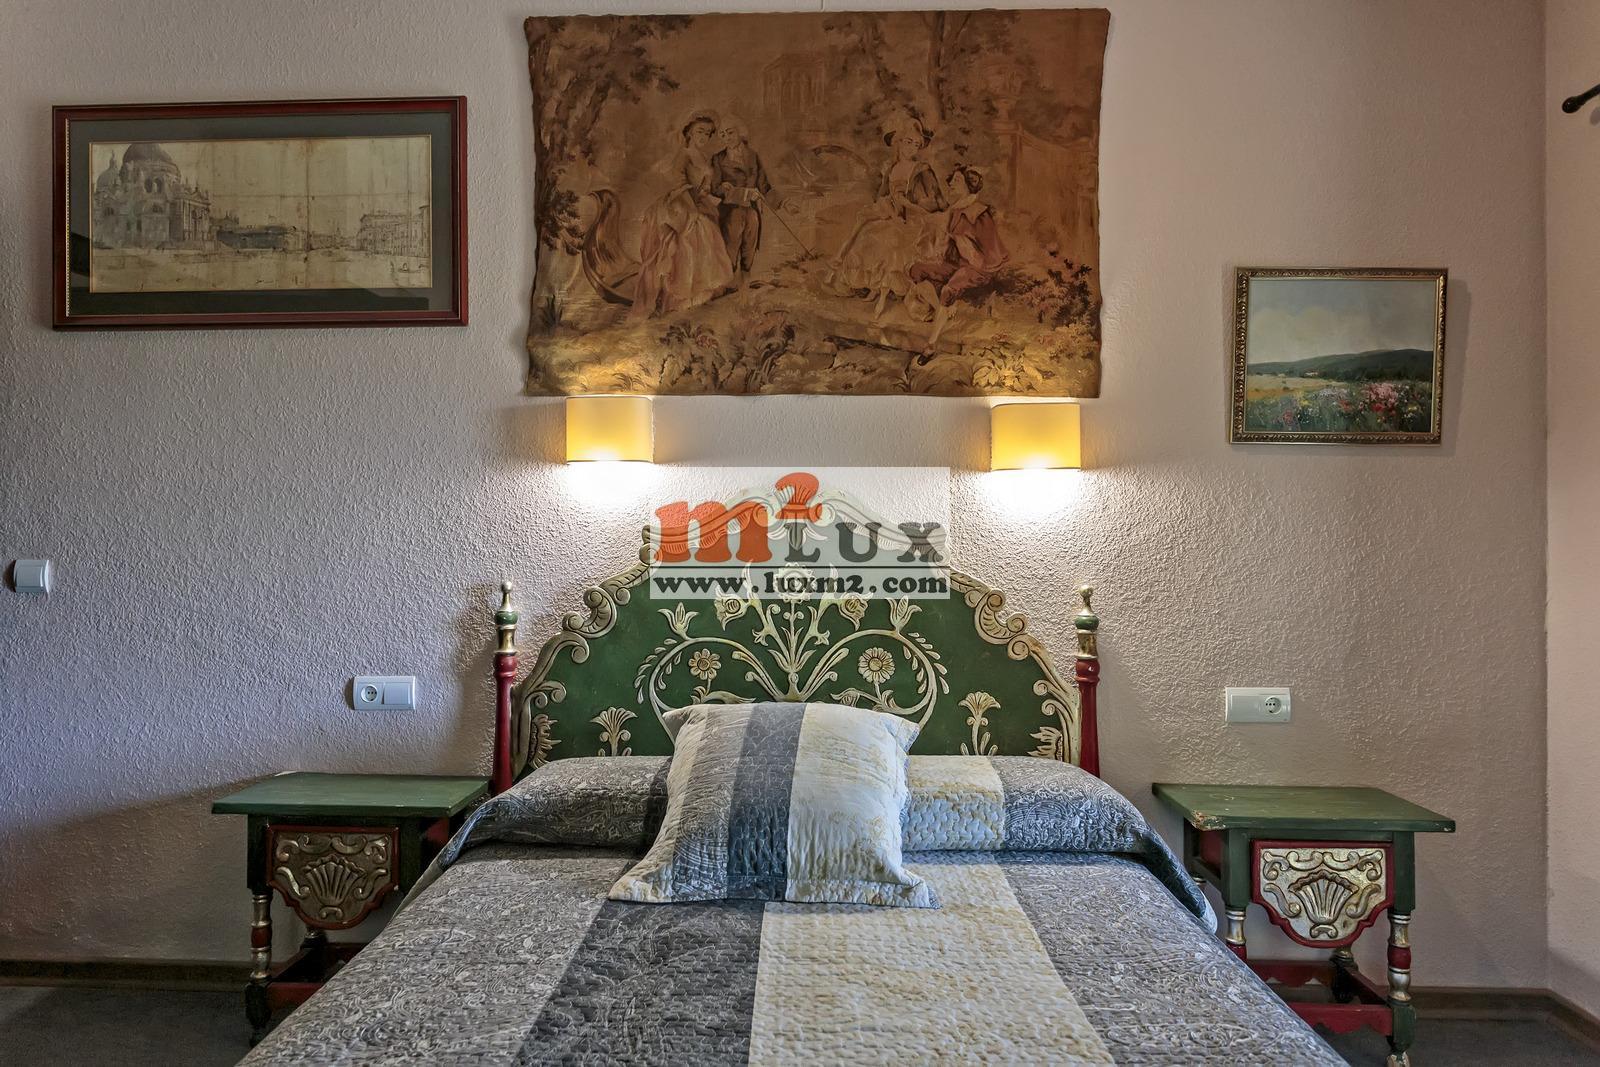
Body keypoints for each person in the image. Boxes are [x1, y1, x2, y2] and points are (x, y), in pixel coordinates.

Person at [827, 115, 946, 320]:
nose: (912, 148)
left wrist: (908, 203)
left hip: (916, 223)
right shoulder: (891, 168)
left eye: (916, 144)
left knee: (891, 240)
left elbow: (935, 203)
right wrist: (889, 206)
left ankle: (886, 289)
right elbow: (881, 195)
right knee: (868, 233)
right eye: (908, 141)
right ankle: (873, 286)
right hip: (893, 217)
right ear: (898, 142)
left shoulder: (922, 170)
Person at [630, 111, 736, 320]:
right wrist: (692, 208)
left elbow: (705, 185)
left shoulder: (704, 158)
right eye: (700, 131)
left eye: (708, 133)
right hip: (681, 204)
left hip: (699, 203)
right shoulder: (684, 155)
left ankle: (699, 295)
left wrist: (713, 190)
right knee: (685, 243)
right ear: (689, 133)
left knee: (708, 240)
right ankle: (678, 299)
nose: (704, 136)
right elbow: (679, 183)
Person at [907, 164, 1009, 358]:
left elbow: (990, 252)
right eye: (952, 180)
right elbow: (949, 246)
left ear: (969, 185)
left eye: (957, 180)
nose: (952, 183)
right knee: (916, 270)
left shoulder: (979, 213)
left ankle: (930, 346)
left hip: (979, 267)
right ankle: (945, 308)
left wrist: (965, 252)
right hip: (958, 263)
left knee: (949, 289)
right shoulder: (955, 210)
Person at [710, 120, 780, 289]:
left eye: (730, 132)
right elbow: (715, 188)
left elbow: (764, 185)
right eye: (722, 135)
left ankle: (744, 288)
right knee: (730, 250)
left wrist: (783, 202)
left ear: (740, 131)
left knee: (749, 249)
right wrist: (735, 191)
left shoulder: (753, 156)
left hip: (752, 211)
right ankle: (727, 287)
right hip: (731, 212)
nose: (727, 138)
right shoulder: (718, 159)